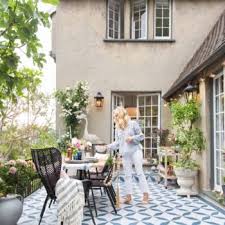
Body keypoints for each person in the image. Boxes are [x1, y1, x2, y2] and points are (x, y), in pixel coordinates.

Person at [107, 106, 149, 204]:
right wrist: (108, 146)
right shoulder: (118, 129)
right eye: (114, 116)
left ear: (121, 115)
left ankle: (145, 194)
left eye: (116, 115)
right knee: (127, 175)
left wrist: (132, 138)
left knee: (139, 172)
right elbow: (118, 143)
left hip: (135, 151)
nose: (115, 117)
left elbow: (141, 136)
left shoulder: (133, 124)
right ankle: (128, 197)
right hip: (125, 153)